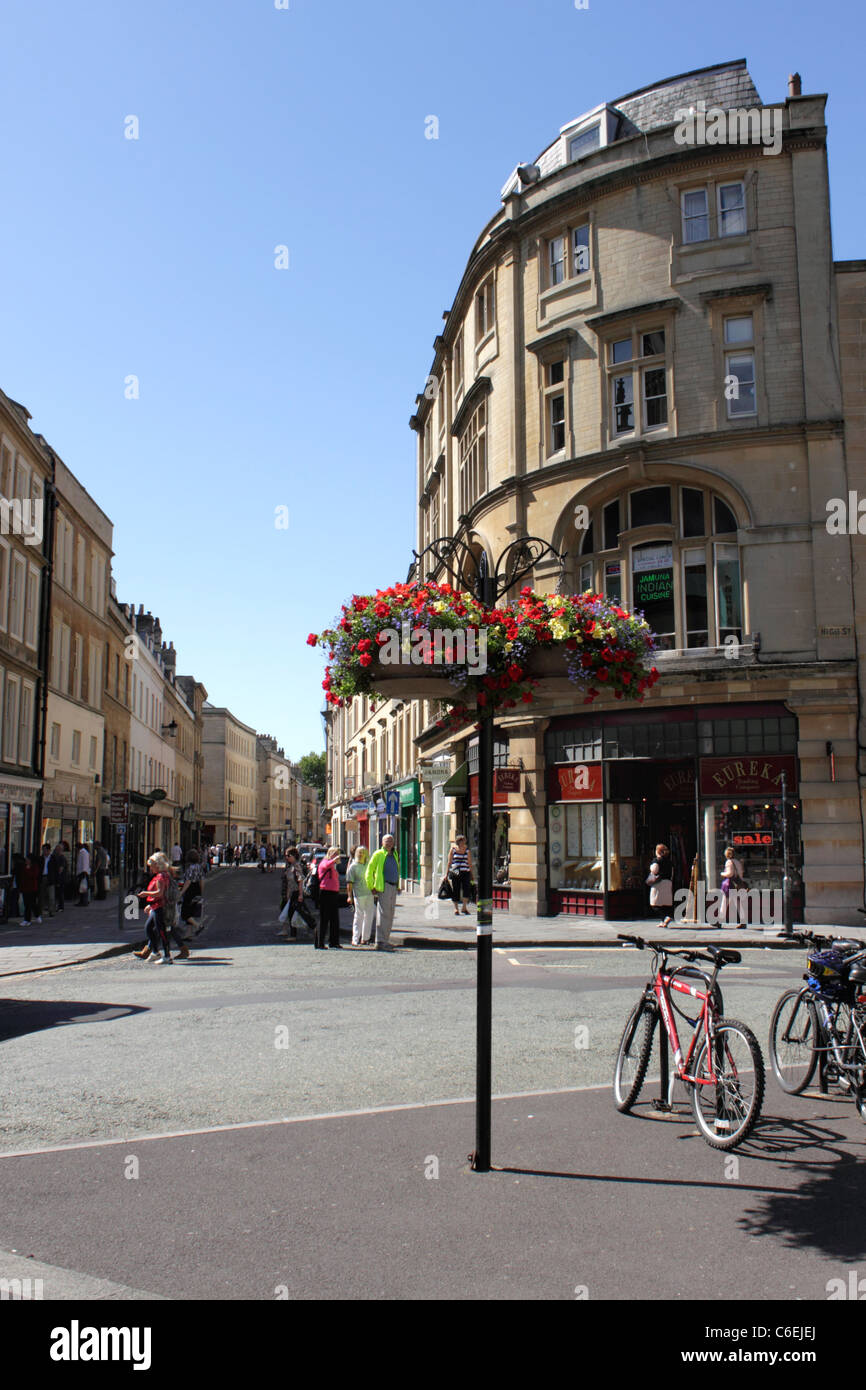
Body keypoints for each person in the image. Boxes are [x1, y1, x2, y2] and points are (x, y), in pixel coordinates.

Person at [133, 852, 173, 963]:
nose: (150, 868)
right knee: (149, 928)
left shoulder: (161, 877)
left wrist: (145, 894)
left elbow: (160, 893)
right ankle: (155, 952)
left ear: (157, 865)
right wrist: (150, 905)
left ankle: (167, 956)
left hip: (159, 907)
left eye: (151, 866)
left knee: (161, 931)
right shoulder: (164, 875)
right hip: (156, 906)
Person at [365, 834, 399, 951]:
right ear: (382, 843)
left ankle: (386, 940)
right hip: (384, 886)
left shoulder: (394, 854)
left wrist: (398, 885)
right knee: (383, 914)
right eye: (386, 841)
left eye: (391, 841)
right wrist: (371, 886)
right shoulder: (378, 854)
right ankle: (380, 941)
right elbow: (369, 870)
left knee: (390, 914)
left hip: (393, 887)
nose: (389, 843)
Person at [278, 849, 316, 939]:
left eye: (288, 856)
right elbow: (289, 882)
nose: (286, 857)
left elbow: (300, 880)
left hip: (297, 892)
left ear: (294, 856)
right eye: (286, 856)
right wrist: (288, 894)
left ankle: (315, 927)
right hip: (292, 893)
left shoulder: (297, 866)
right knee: (293, 913)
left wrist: (300, 894)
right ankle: (294, 935)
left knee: (303, 913)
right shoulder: (290, 866)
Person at [175, 849, 204, 954]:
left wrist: (181, 892)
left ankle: (198, 925)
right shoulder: (199, 867)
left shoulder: (190, 868)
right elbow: (201, 880)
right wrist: (201, 892)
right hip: (197, 889)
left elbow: (188, 881)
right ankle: (188, 934)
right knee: (191, 912)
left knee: (185, 913)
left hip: (190, 890)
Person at [315, 846, 342, 950]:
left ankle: (334, 942)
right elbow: (326, 865)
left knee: (335, 918)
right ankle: (320, 942)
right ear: (329, 853)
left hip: (334, 893)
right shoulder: (324, 862)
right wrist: (334, 860)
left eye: (337, 854)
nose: (336, 855)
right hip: (325, 892)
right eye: (334, 853)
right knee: (324, 918)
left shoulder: (333, 865)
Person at [347, 846, 374, 946]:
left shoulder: (368, 864)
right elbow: (349, 883)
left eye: (363, 852)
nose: (361, 854)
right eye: (359, 852)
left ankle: (365, 938)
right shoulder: (353, 866)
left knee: (369, 915)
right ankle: (355, 939)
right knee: (359, 915)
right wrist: (349, 896)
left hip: (369, 893)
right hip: (359, 894)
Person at [721, 845, 748, 928]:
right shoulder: (737, 862)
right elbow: (741, 873)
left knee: (724, 902)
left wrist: (722, 873)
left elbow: (730, 874)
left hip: (731, 885)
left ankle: (719, 920)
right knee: (737, 903)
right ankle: (743, 922)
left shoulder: (729, 862)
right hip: (737, 885)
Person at [446, 836, 474, 917]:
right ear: (458, 842)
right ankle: (456, 908)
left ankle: (464, 907)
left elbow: (469, 863)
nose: (463, 843)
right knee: (456, 890)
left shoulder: (467, 850)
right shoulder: (453, 850)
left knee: (466, 889)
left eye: (464, 841)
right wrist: (446, 873)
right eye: (461, 841)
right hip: (455, 872)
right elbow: (449, 862)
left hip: (465, 872)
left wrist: (471, 873)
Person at [646, 844, 674, 924]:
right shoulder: (669, 861)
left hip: (658, 883)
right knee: (665, 903)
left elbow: (654, 870)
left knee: (655, 904)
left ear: (657, 851)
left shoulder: (657, 861)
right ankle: (663, 921)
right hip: (668, 883)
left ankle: (665, 918)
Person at [48, 842, 68, 913]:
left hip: (60, 878)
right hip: (57, 878)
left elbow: (61, 869)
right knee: (58, 893)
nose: (56, 851)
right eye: (56, 849)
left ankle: (61, 906)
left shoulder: (62, 858)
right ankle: (57, 906)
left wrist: (58, 875)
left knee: (60, 893)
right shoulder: (55, 857)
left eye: (57, 849)